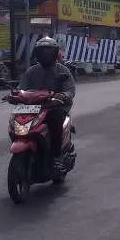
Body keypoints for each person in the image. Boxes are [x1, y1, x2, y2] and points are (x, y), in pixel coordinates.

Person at [18, 36, 76, 172]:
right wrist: (14, 95)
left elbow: (70, 89)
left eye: (48, 52)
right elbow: (22, 88)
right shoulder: (31, 71)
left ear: (55, 53)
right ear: (37, 53)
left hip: (56, 107)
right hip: (33, 107)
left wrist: (63, 96)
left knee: (55, 122)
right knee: (19, 121)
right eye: (42, 52)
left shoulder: (63, 70)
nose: (45, 54)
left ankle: (56, 157)